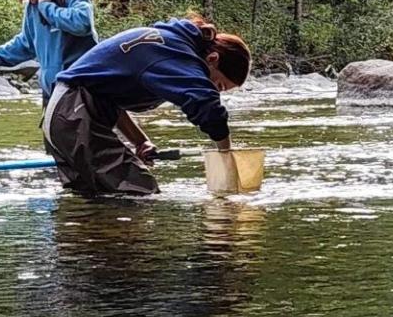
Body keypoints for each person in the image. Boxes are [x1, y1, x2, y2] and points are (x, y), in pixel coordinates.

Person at [43, 15, 252, 196]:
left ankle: (92, 241)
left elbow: (104, 97)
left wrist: (140, 141)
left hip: (64, 115)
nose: (214, 90)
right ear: (212, 59)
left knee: (95, 200)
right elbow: (206, 105)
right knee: (141, 192)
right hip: (73, 115)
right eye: (219, 85)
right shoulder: (175, 52)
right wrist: (226, 155)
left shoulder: (168, 44)